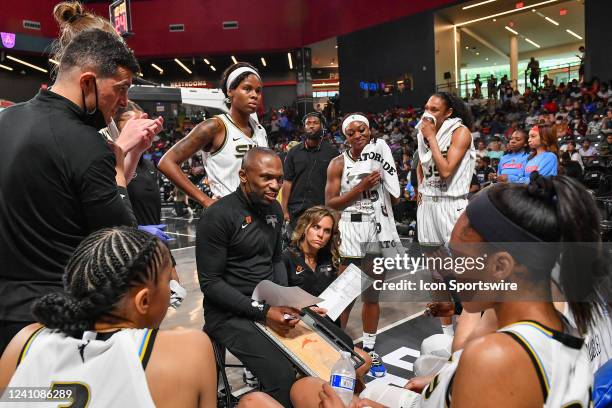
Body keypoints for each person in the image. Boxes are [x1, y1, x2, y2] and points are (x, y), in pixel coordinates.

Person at [290, 174, 603, 408]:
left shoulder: (496, 356)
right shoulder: (561, 324)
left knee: (299, 392)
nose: (450, 269)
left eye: (458, 257)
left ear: (501, 267)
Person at [0, 29, 142, 355]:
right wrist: (119, 172)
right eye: (120, 90)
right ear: (88, 82)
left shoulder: (5, 119)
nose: (122, 102)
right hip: (54, 326)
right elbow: (123, 244)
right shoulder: (88, 144)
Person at [0, 227, 217, 407]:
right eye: (167, 281)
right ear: (143, 301)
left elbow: (27, 396)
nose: (171, 290)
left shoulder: (25, 342)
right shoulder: (188, 349)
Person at [196, 147, 298, 407]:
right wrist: (264, 311)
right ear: (243, 175)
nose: (275, 185)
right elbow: (210, 284)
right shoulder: (218, 215)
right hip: (228, 314)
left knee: (334, 345)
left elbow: (275, 260)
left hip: (266, 305)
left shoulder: (274, 209)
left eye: (279, 178)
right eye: (266, 178)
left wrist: (284, 299)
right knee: (284, 375)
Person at [325, 113, 402, 377]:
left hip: (377, 226)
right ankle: (339, 346)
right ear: (345, 136)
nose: (358, 135)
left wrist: (392, 190)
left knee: (372, 292)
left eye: (363, 130)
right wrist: (360, 187)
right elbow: (331, 202)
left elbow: (396, 199)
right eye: (351, 132)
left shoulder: (382, 157)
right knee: (345, 294)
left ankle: (369, 347)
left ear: (369, 131)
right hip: (351, 225)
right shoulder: (338, 163)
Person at [281, 205, 372, 382]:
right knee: (341, 372)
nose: (321, 234)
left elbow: (333, 299)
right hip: (299, 331)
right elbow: (279, 304)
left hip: (326, 329)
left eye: (327, 230)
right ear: (305, 227)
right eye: (316, 227)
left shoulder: (330, 259)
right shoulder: (286, 258)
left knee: (364, 362)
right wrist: (305, 311)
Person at [159, 62, 268, 208]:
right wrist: (205, 200)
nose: (254, 95)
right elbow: (166, 162)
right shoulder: (214, 126)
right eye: (247, 89)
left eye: (258, 90)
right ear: (230, 91)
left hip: (259, 212)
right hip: (228, 214)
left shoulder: (260, 130)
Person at [281, 112, 338, 229]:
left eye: (315, 123)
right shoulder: (293, 152)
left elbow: (336, 185)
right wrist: (284, 209)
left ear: (322, 126)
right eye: (308, 123)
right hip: (296, 210)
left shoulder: (332, 153)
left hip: (322, 210)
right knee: (295, 245)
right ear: (304, 127)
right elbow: (287, 182)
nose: (311, 126)